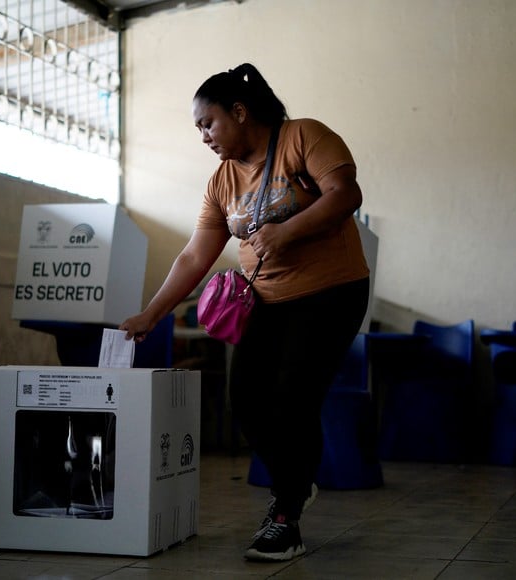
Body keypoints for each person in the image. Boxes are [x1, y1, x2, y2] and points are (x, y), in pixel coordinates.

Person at [119, 62, 370, 562]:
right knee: (247, 400)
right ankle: (295, 485)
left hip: (331, 292)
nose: (203, 136)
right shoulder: (221, 182)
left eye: (207, 123)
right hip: (268, 300)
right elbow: (195, 255)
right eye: (198, 129)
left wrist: (287, 230)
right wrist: (151, 313)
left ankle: (286, 514)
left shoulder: (304, 137)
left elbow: (346, 194)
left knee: (292, 394)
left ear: (239, 110)